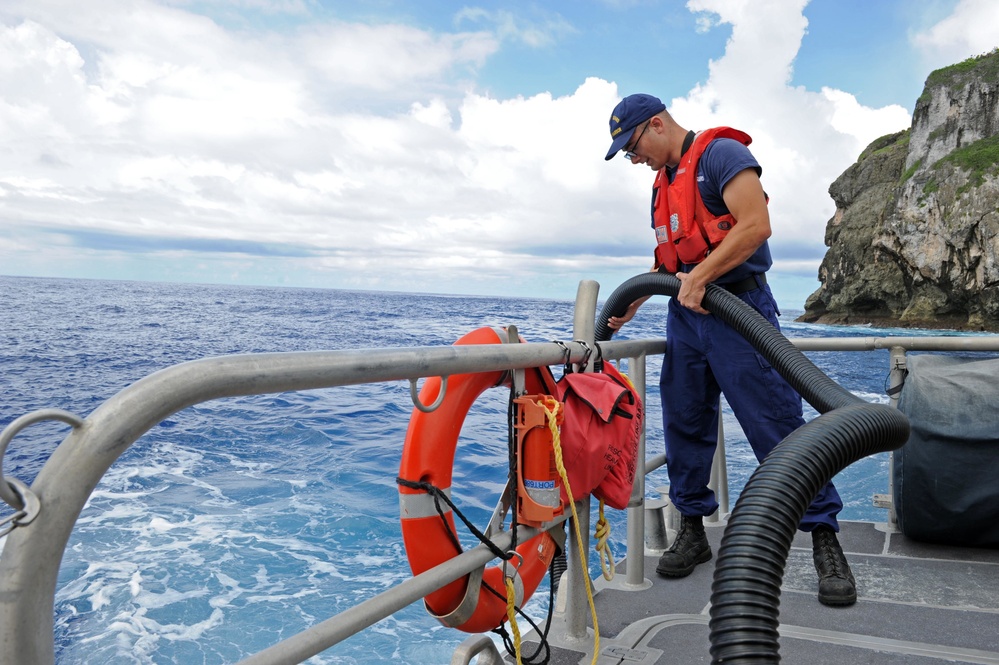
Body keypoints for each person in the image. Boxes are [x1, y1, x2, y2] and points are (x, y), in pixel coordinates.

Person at [603, 93, 856, 607]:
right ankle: (692, 530)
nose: (634, 160)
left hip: (741, 313)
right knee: (685, 423)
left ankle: (826, 539)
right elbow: (672, 257)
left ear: (656, 125)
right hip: (686, 320)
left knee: (777, 427)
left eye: (633, 148)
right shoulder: (661, 184)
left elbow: (756, 226)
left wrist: (698, 278)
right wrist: (639, 302)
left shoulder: (721, 157)